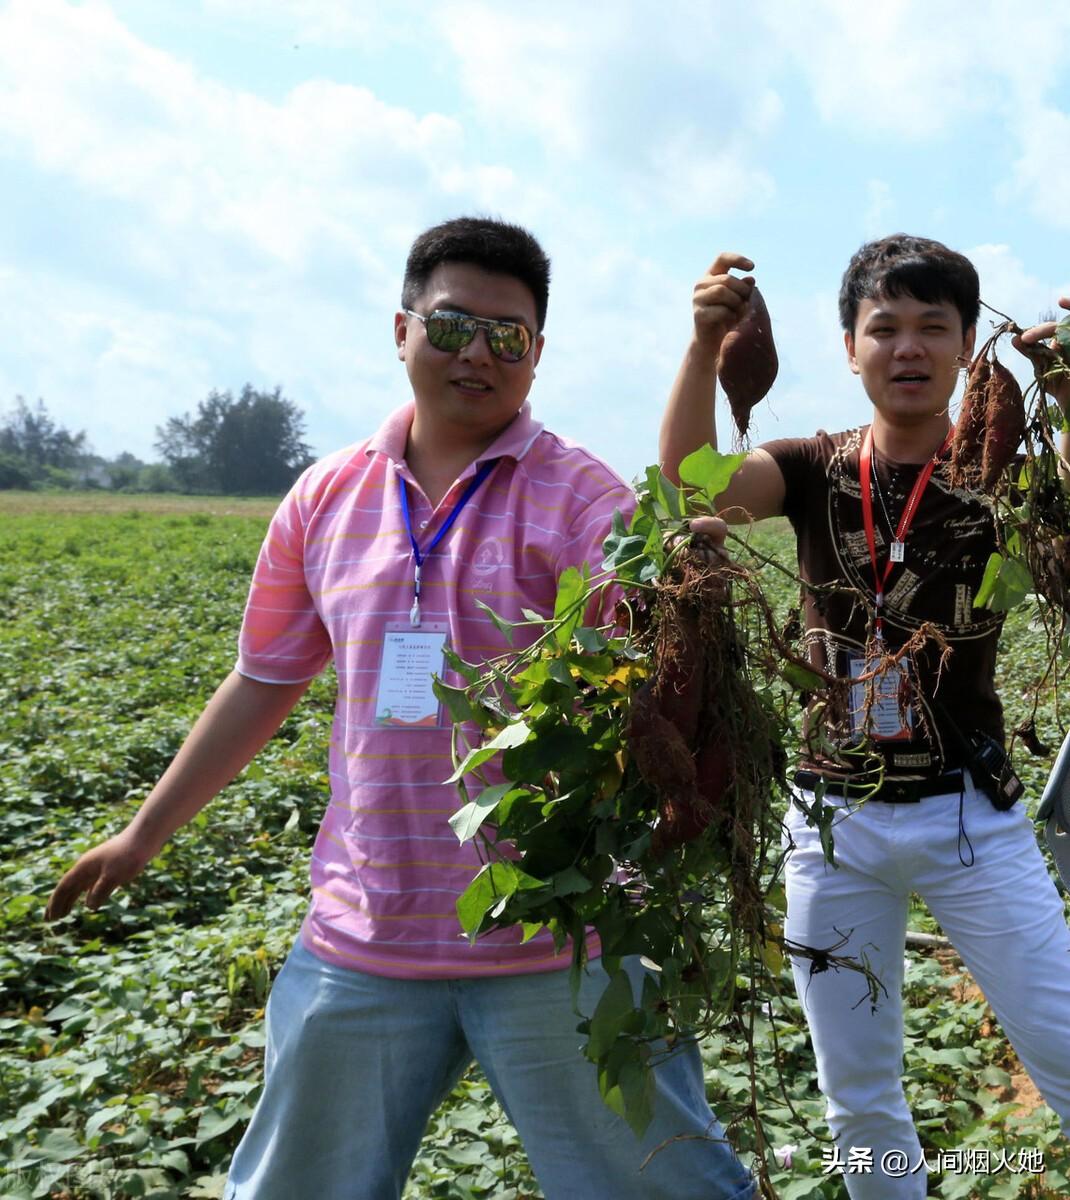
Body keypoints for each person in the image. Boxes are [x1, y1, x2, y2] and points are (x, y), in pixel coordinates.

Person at [47, 216, 756, 1200]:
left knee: (658, 1189)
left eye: (507, 335)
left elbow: (654, 675)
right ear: (401, 330)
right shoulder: (325, 497)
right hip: (363, 934)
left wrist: (685, 592)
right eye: (453, 325)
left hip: (562, 938)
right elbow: (262, 681)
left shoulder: (583, 500)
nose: (478, 354)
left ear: (538, 354)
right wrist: (142, 835)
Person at [659, 235, 1070, 1199]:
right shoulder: (809, 466)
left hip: (971, 816)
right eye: (884, 328)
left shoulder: (999, 471)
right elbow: (689, 490)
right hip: (831, 822)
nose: (908, 347)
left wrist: (1066, 387)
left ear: (967, 345)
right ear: (850, 348)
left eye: (934, 326)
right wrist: (703, 346)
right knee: (857, 1094)